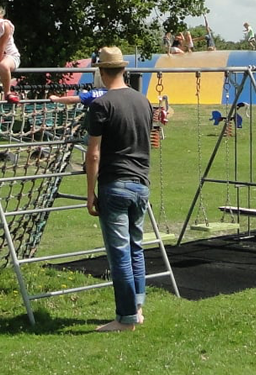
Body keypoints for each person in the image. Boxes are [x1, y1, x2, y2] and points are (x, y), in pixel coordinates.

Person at [85, 46, 151, 332]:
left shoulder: (101, 105)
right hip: (141, 184)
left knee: (120, 253)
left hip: (115, 184)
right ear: (123, 69)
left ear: (101, 71)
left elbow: (94, 153)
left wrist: (90, 192)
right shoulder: (143, 101)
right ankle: (137, 307)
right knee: (136, 247)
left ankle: (125, 318)